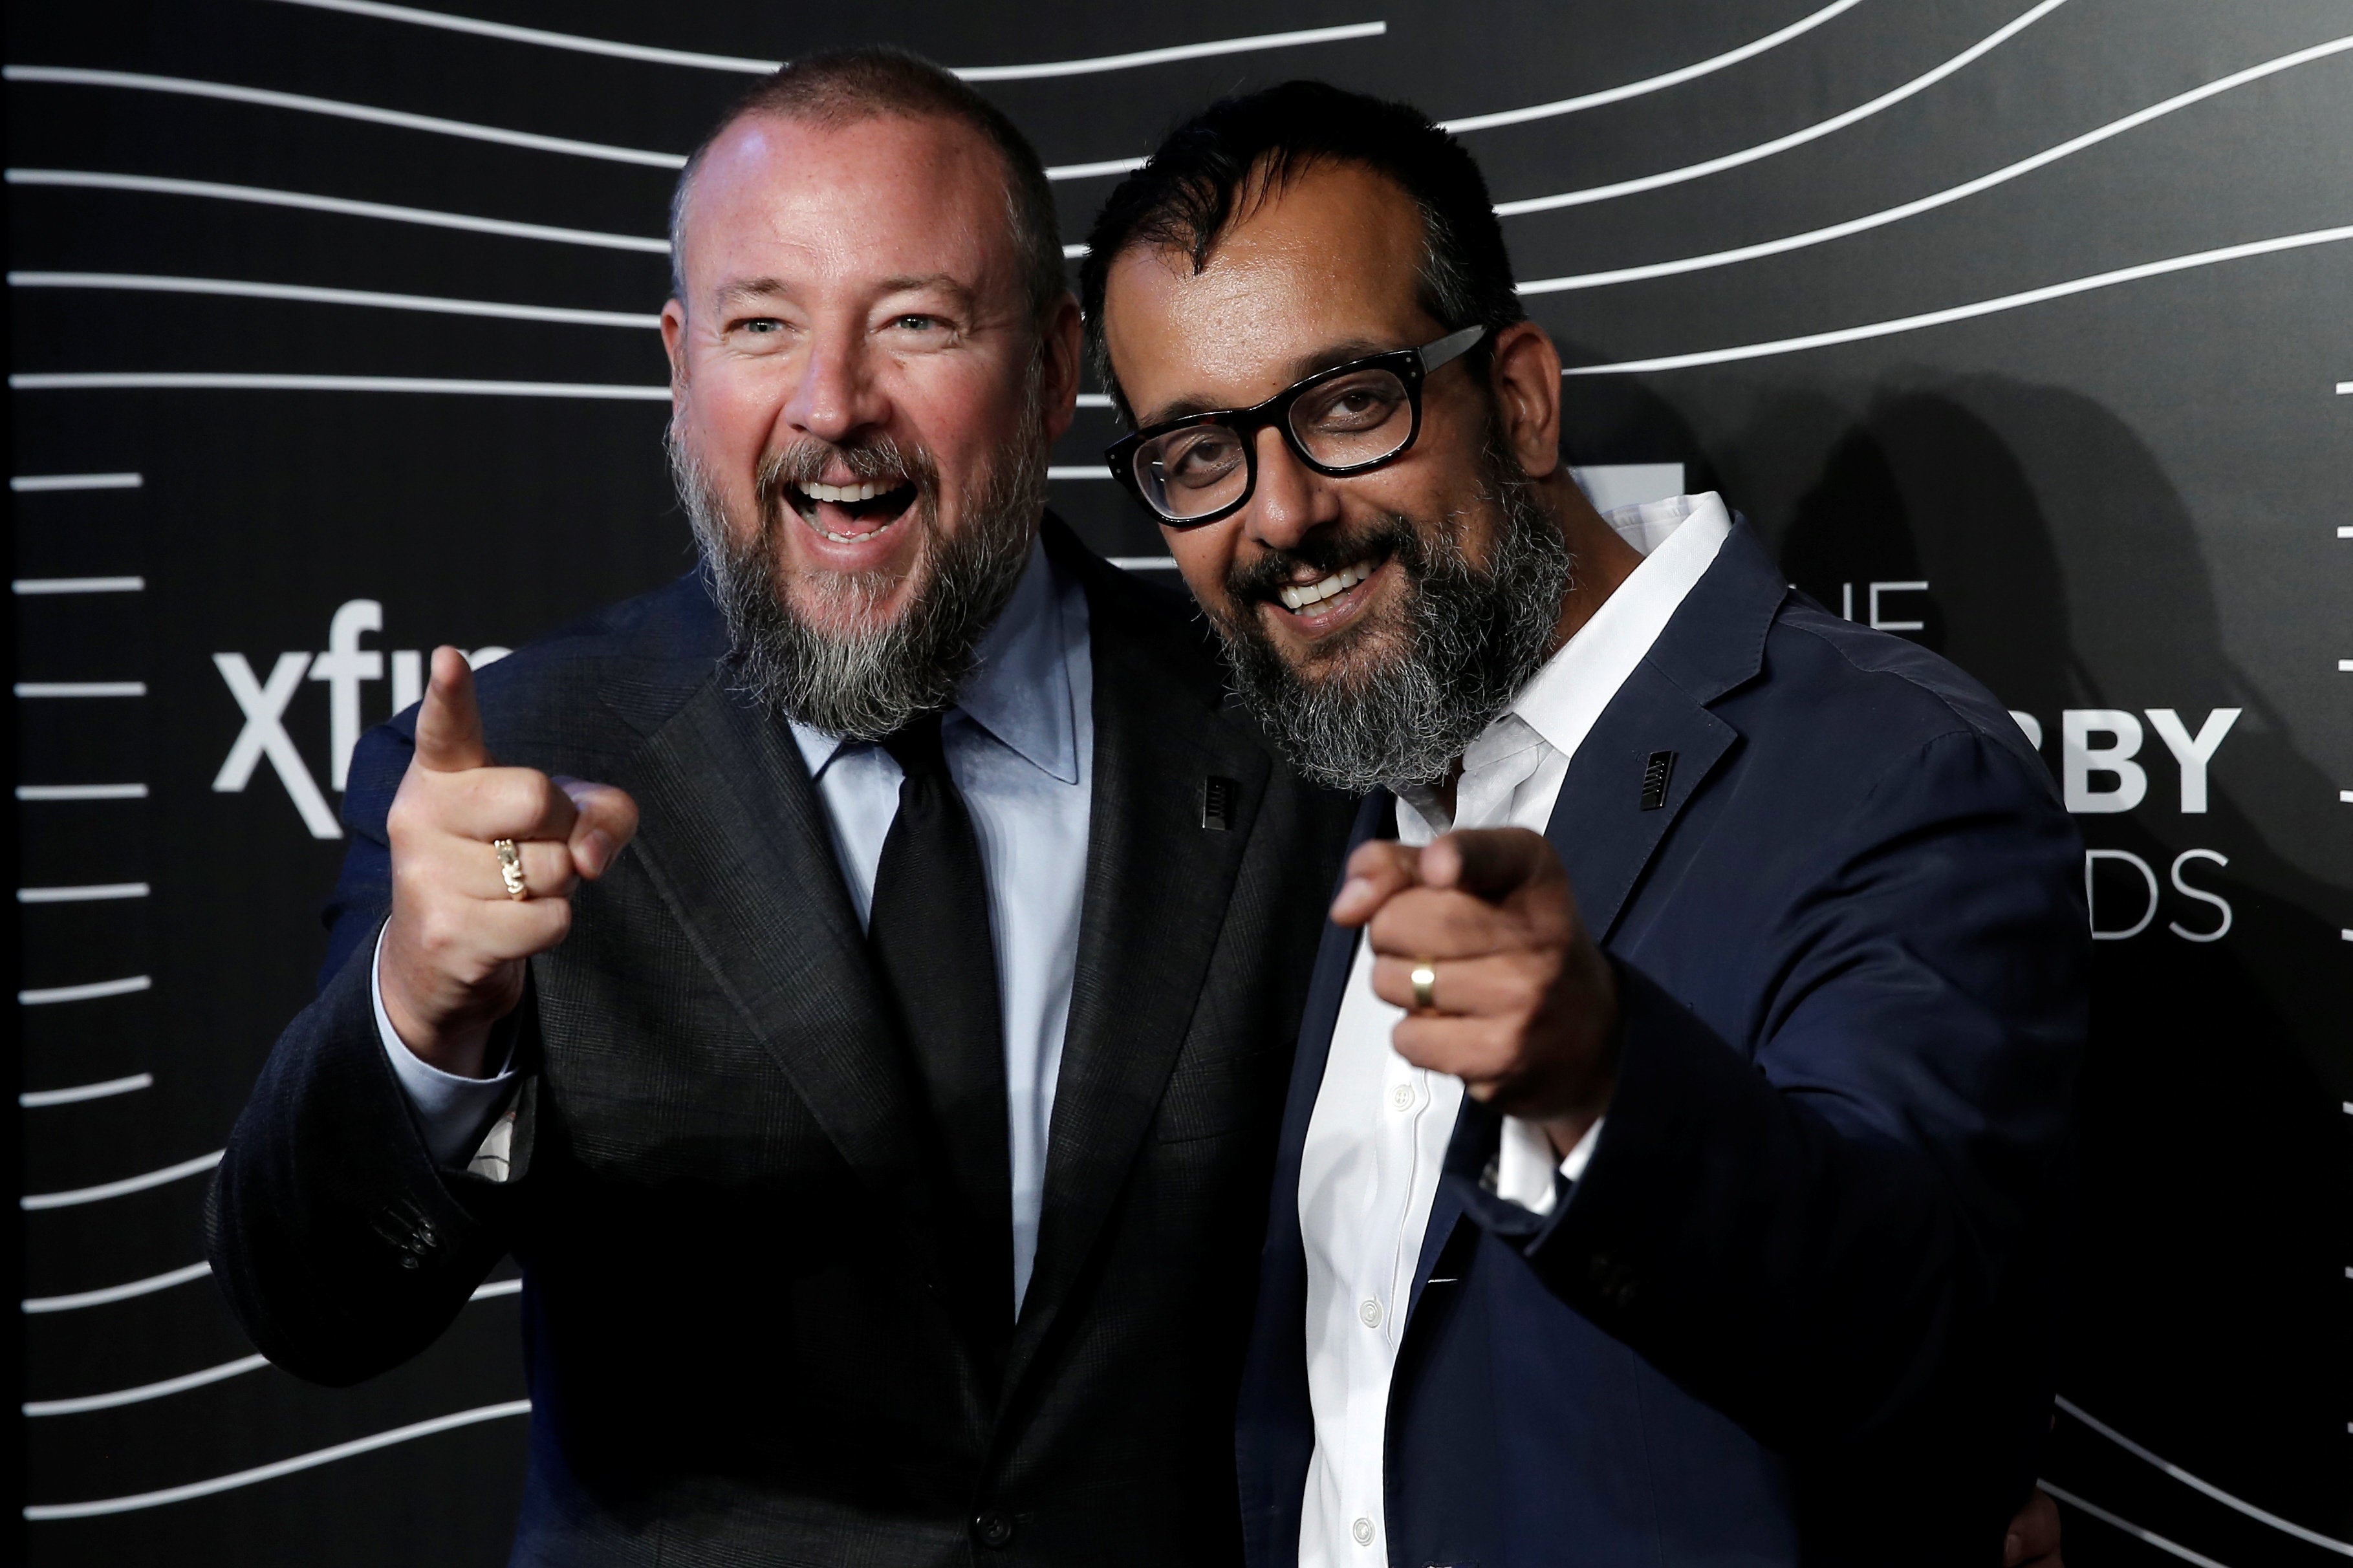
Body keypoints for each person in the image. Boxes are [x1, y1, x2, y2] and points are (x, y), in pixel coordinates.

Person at [206, 50, 1354, 1566]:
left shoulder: (1281, 731)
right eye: (763, 326)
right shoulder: (513, 760)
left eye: (917, 323)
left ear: (1058, 358)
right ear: (681, 365)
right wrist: (425, 1012)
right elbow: (317, 1305)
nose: (833, 402)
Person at [1081, 82, 2084, 1567]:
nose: (1278, 515)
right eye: (1197, 456)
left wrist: (1603, 1084)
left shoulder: (1890, 766)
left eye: (1349, 402)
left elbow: (1928, 1351)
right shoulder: (1341, 787)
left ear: (1525, 398)